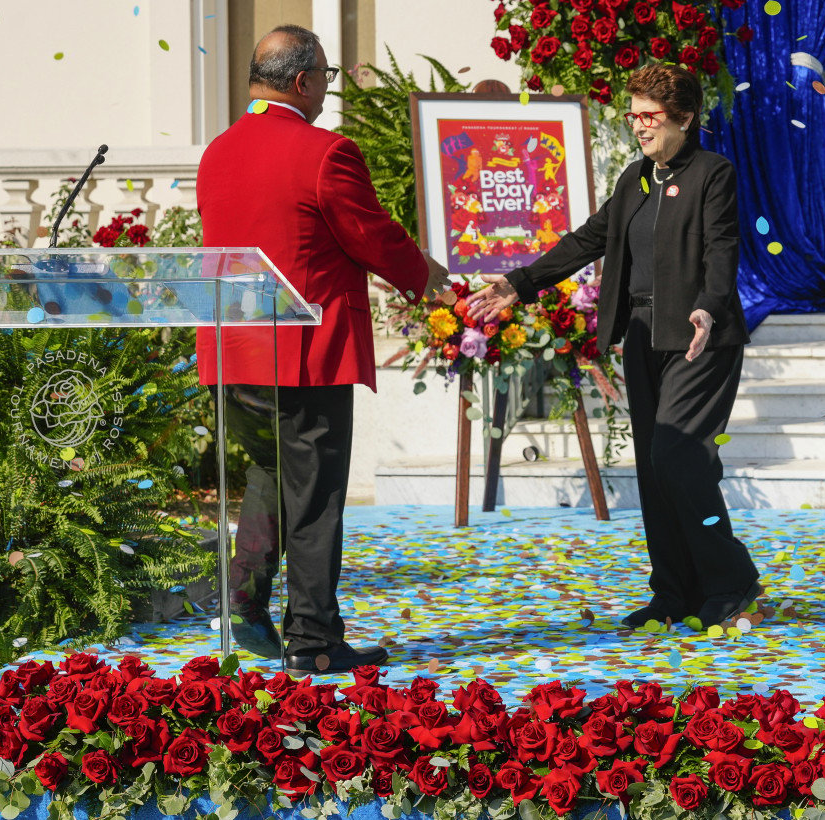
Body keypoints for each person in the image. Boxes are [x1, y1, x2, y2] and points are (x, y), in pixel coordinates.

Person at [469, 63, 762, 629]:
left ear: (685, 116)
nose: (639, 126)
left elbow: (723, 247)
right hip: (644, 337)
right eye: (634, 116)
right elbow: (588, 239)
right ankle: (674, 592)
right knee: (654, 469)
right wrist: (519, 282)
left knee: (679, 458)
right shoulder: (634, 178)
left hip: (700, 340)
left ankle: (731, 580)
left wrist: (709, 305)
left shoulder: (712, 172)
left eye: (649, 116)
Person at [195, 24, 449, 673]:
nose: (325, 92)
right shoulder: (323, 152)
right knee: (314, 495)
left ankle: (243, 601)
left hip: (235, 350)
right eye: (327, 79)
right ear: (303, 81)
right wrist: (430, 280)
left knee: (269, 475)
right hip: (305, 352)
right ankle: (312, 637)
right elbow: (370, 235)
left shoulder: (217, 152)